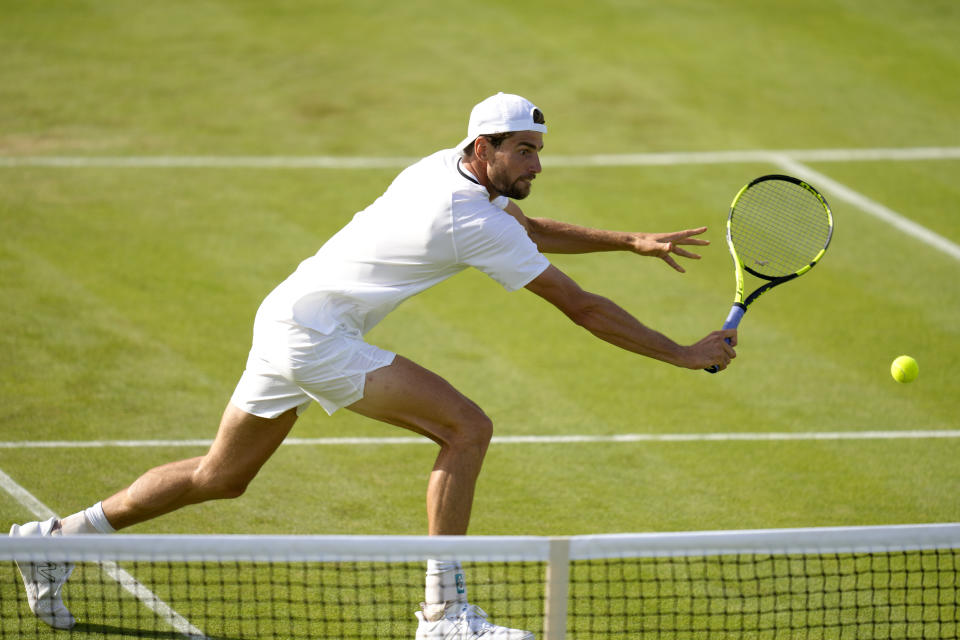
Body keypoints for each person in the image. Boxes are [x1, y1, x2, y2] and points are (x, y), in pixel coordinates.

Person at [10, 92, 736, 639]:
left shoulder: (447, 170)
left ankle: (53, 543)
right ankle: (442, 611)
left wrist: (630, 239)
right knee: (466, 428)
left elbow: (530, 228)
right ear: (485, 147)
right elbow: (581, 308)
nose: (537, 165)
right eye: (523, 152)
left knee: (219, 477)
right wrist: (680, 353)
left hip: (287, 316)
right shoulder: (469, 218)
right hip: (316, 336)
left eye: (539, 150)